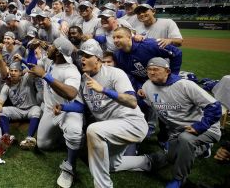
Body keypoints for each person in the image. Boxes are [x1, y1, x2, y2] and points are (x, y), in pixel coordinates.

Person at [122, 57, 222, 188]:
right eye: (149, 69)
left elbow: (214, 106)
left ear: (167, 71)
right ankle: (203, 150)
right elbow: (144, 105)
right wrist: (138, 98)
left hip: (205, 128)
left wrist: (200, 126)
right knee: (171, 158)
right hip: (178, 131)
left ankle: (179, 179)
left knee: (186, 140)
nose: (151, 72)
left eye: (156, 69)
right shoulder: (147, 86)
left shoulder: (185, 85)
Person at [77, 40, 148, 188]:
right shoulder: (85, 79)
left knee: (94, 130)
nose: (82, 58)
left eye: (87, 55)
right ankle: (150, 161)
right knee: (110, 165)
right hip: (112, 129)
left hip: (132, 123)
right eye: (81, 55)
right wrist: (62, 107)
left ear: (98, 58)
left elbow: (132, 101)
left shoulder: (115, 73)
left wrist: (103, 90)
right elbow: (81, 106)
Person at [27, 37, 82, 188]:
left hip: (68, 110)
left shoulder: (71, 70)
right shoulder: (50, 61)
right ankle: (69, 142)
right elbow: (32, 66)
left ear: (57, 52)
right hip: (51, 109)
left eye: (52, 47)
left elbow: (71, 93)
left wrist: (45, 76)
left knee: (74, 131)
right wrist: (31, 49)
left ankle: (70, 165)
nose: (48, 48)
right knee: (43, 145)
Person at [0, 61, 41, 150]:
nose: (13, 73)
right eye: (11, 70)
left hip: (31, 108)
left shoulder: (26, 78)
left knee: (37, 109)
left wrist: (25, 63)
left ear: (21, 72)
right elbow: (0, 103)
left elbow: (33, 68)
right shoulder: (7, 86)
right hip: (18, 110)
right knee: (3, 110)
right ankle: (6, 136)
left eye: (16, 71)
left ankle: (29, 138)